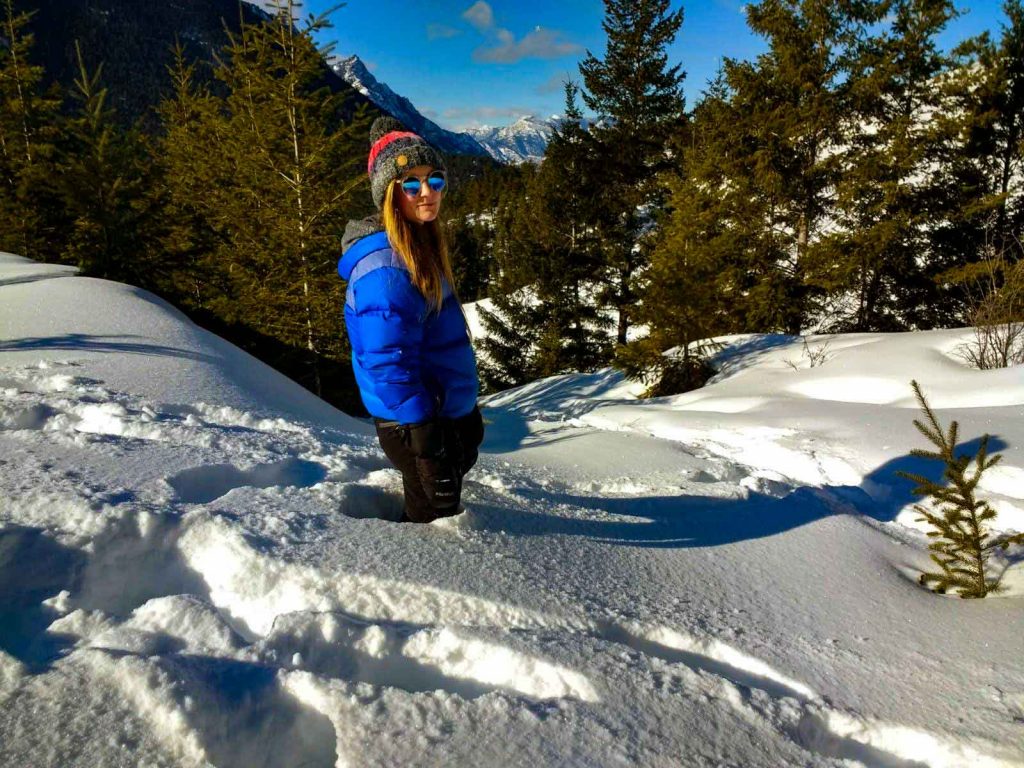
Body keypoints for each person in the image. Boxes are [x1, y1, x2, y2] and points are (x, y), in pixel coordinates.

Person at [338, 116, 484, 524]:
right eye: (411, 183)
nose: (427, 193)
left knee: (435, 512)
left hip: (432, 417)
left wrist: (463, 408)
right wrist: (425, 440)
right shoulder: (387, 268)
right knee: (433, 524)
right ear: (388, 194)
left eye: (435, 180)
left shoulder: (416, 247)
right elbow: (388, 361)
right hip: (414, 424)